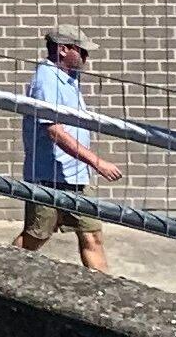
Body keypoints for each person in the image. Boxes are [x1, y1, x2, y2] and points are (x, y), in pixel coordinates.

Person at [15, 27, 126, 270]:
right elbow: (54, 131)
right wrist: (97, 162)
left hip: (76, 177)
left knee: (92, 235)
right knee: (35, 237)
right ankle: (0, 274)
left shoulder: (70, 78)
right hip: (48, 178)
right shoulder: (46, 80)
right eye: (82, 51)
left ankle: (103, 294)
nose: (87, 57)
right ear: (63, 50)